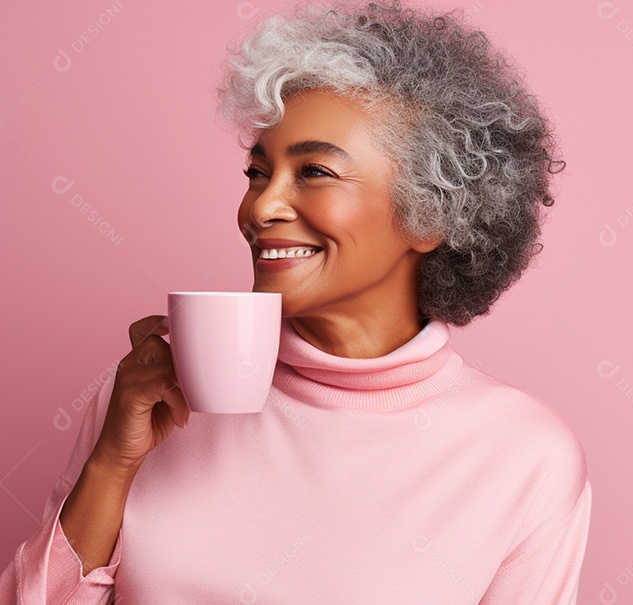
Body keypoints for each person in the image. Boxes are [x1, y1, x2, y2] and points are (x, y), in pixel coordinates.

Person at [0, 1, 590, 602]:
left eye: (314, 172)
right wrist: (109, 464)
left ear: (431, 215)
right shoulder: (152, 395)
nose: (260, 208)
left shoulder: (524, 458)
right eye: (259, 173)